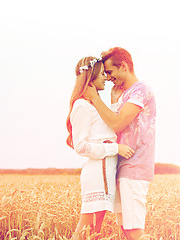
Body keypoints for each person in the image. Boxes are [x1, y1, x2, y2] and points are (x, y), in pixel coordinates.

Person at [83, 47, 156, 240]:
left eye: (109, 72)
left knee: (134, 230)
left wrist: (95, 99)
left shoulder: (141, 90)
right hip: (122, 167)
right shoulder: (125, 94)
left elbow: (116, 123)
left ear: (123, 66)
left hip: (135, 167)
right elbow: (115, 129)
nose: (107, 78)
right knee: (127, 229)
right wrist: (113, 101)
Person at [66, 56, 135, 239]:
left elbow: (110, 126)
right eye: (102, 73)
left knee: (94, 231)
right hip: (98, 172)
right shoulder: (82, 105)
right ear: (92, 75)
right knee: (86, 227)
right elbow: (80, 147)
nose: (106, 77)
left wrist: (113, 100)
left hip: (106, 170)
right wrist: (115, 149)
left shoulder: (93, 104)